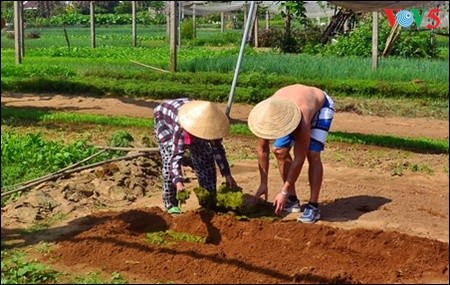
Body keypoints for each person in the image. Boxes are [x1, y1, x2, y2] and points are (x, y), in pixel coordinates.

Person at [247, 84, 335, 223]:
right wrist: (263, 183)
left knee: (312, 154)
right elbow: (262, 149)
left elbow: (300, 157)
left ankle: (313, 206)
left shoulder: (303, 116)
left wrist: (283, 191)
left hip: (320, 107)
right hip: (288, 106)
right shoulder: (264, 115)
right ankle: (292, 200)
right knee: (279, 150)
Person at [154, 98, 238, 214]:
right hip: (165, 120)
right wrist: (179, 183)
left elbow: (218, 150)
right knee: (169, 163)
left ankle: (208, 200)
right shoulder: (181, 127)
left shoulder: (212, 126)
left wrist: (227, 174)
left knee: (206, 159)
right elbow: (176, 157)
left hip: (193, 120)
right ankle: (171, 204)